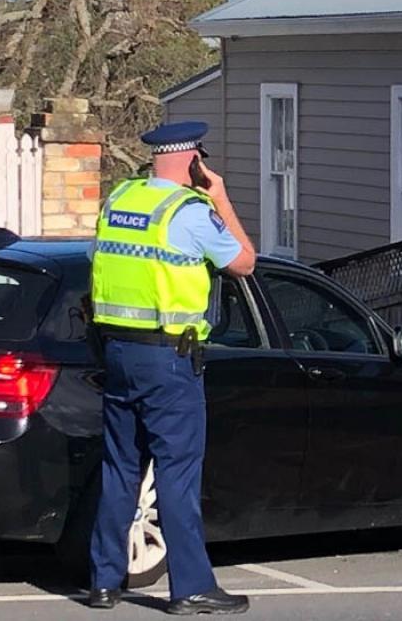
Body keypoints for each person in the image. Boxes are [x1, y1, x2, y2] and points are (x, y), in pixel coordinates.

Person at [86, 121, 255, 615]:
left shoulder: (120, 200)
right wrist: (220, 196)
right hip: (169, 360)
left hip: (116, 352)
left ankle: (103, 582)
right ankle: (191, 588)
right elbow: (245, 262)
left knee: (120, 468)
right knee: (177, 474)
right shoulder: (190, 211)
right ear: (195, 160)